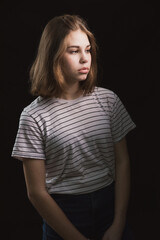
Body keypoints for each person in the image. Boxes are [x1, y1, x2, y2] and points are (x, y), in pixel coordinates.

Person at [12, 14, 136, 240]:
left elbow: (123, 162)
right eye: (74, 51)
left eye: (87, 50)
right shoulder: (33, 116)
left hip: (110, 205)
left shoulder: (108, 100)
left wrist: (118, 221)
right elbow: (36, 192)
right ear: (53, 56)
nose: (85, 58)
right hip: (64, 214)